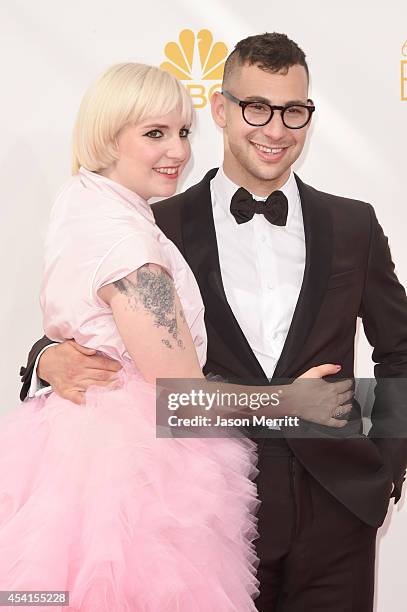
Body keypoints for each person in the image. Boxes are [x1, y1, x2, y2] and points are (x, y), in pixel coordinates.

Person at [19, 34, 407, 611]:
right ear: (221, 110)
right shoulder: (155, 221)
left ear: (308, 117)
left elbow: (398, 349)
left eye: (293, 111)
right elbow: (98, 324)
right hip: (199, 514)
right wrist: (44, 357)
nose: (275, 129)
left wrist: (386, 470)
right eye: (256, 107)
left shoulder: (353, 223)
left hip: (338, 510)